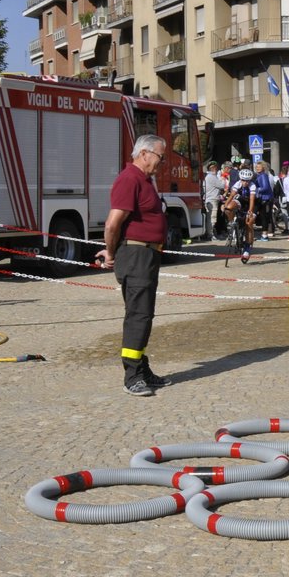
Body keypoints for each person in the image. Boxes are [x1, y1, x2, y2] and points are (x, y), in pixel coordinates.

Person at [93, 134, 171, 397]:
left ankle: (141, 366)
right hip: (135, 254)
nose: (162, 161)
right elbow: (112, 223)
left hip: (147, 255)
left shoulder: (145, 180)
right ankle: (132, 375)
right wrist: (111, 253)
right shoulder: (129, 179)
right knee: (138, 315)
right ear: (145, 154)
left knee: (144, 313)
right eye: (160, 156)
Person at [202, 162, 226, 239]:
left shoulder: (208, 176)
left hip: (210, 199)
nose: (216, 169)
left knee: (210, 217)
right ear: (213, 168)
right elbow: (222, 186)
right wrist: (222, 179)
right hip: (212, 199)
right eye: (216, 168)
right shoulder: (211, 177)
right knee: (212, 218)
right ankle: (210, 234)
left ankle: (210, 233)